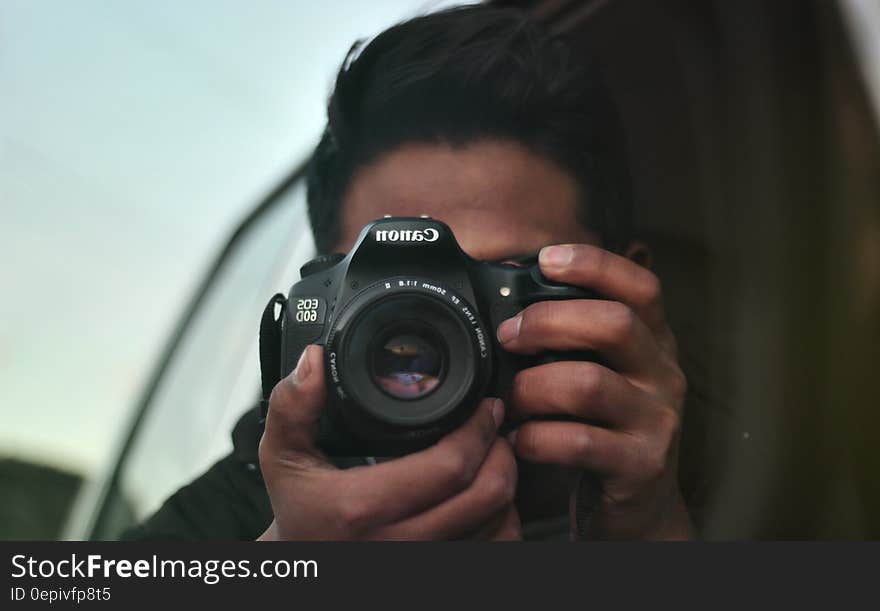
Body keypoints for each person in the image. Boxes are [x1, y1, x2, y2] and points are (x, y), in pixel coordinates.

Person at [123, 5, 695, 541]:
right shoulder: (251, 495)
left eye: (504, 279)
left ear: (625, 299)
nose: (434, 323)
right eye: (381, 290)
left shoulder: (702, 460)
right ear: (313, 311)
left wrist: (653, 530)